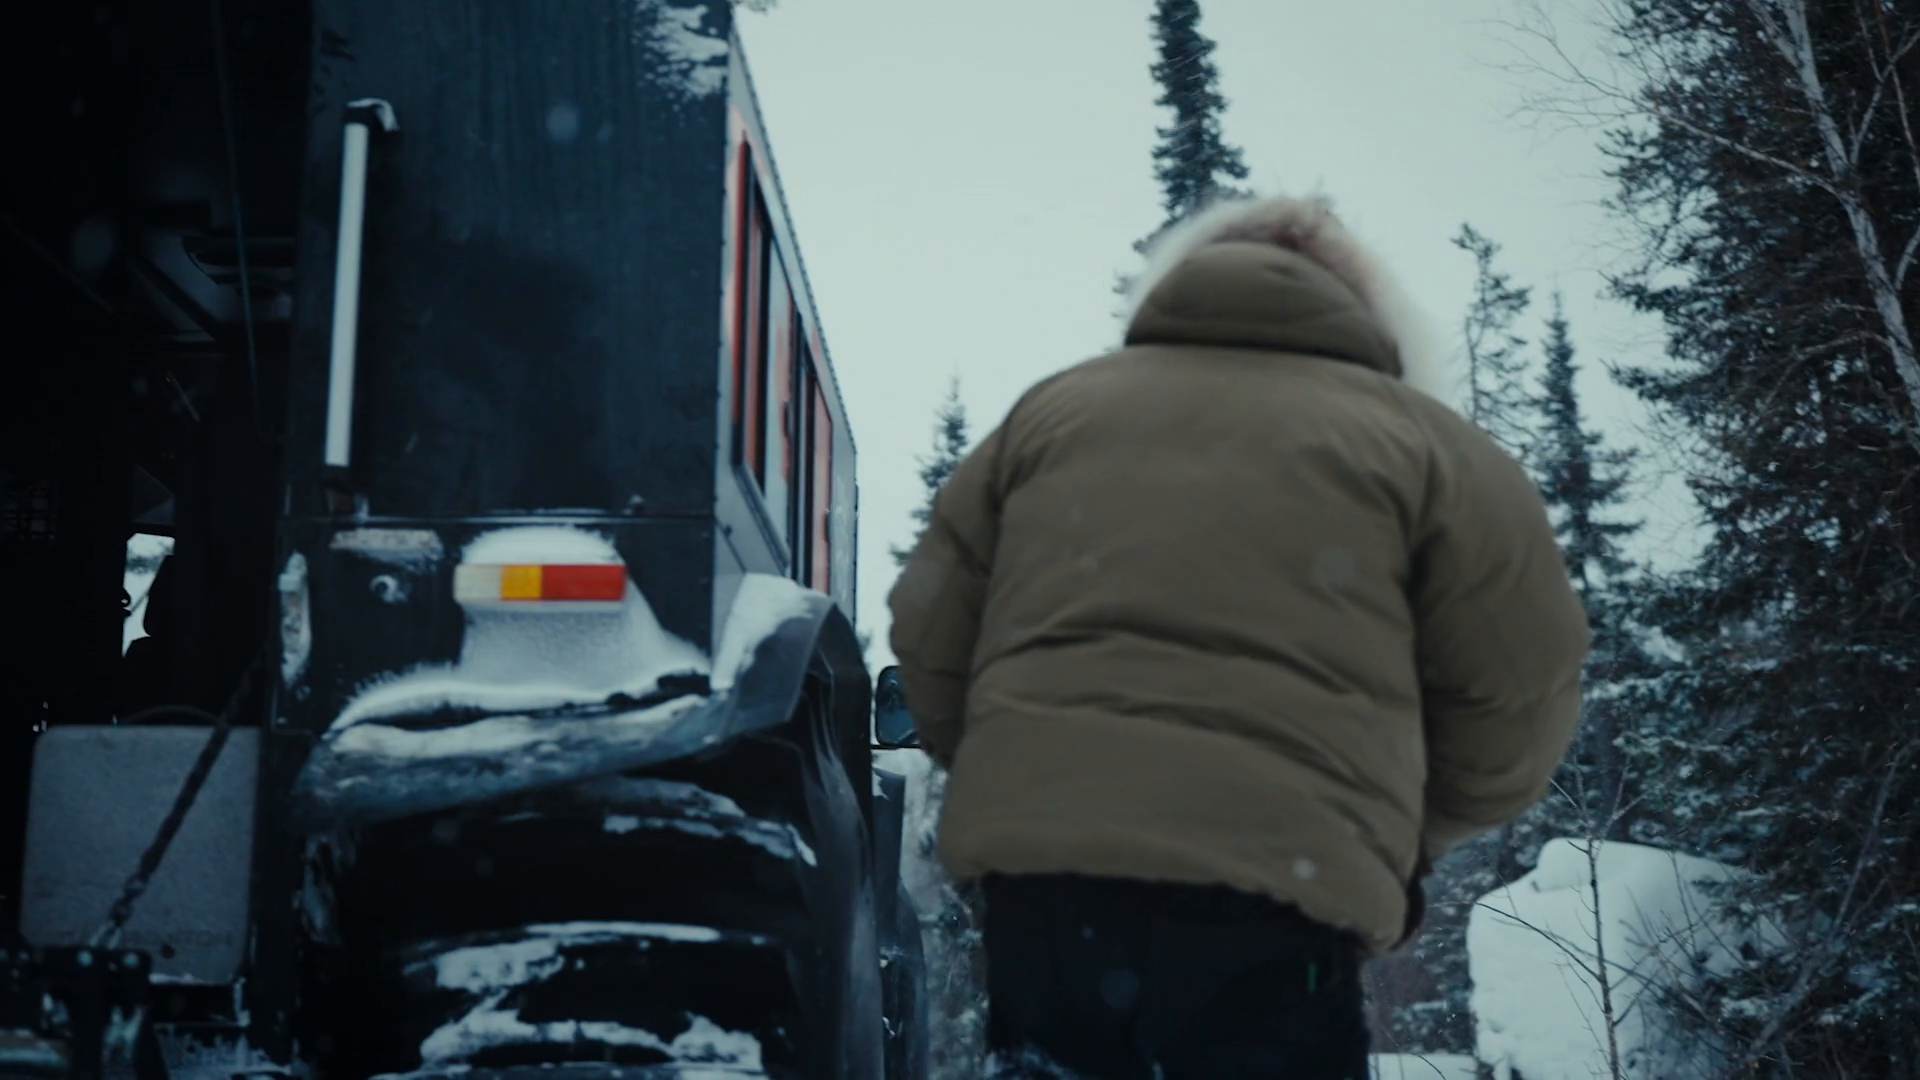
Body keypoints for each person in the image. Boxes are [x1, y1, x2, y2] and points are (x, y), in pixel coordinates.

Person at [886, 193, 1591, 1079]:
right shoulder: (1432, 450)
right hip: (1286, 891)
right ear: (1368, 311)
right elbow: (1520, 698)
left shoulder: (1051, 417)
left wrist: (1026, 775)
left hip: (1050, 891)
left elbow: (931, 634)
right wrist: (1397, 832)